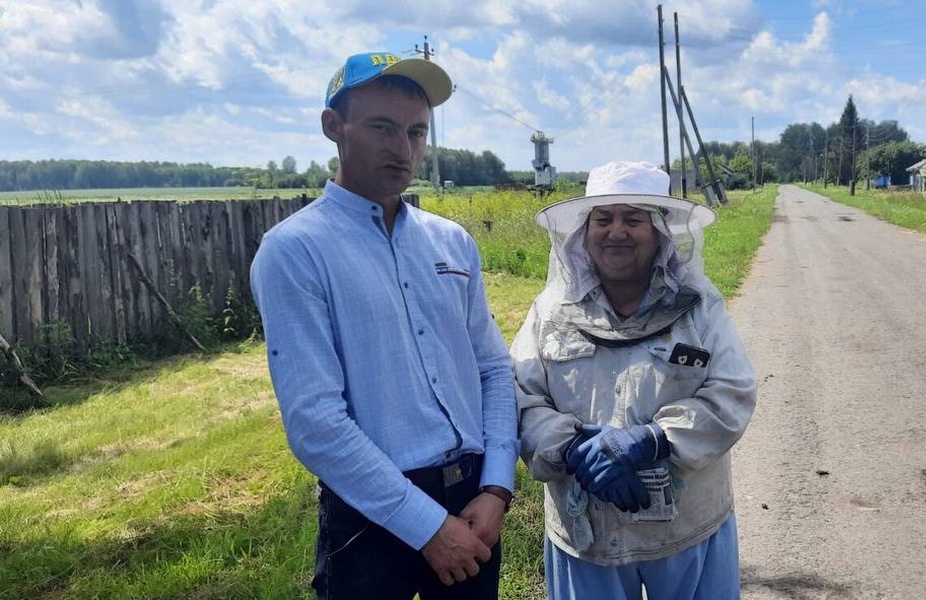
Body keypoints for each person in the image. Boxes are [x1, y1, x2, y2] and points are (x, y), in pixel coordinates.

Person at [250, 51, 517, 599]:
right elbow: (316, 421)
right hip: (371, 511)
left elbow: (492, 368)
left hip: (471, 500)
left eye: (417, 132)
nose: (403, 149)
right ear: (333, 127)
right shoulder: (296, 251)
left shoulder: (451, 242)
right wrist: (427, 526)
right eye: (382, 128)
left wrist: (496, 486)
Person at [512, 160, 758, 599]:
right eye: (602, 219)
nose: (616, 231)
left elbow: (732, 392)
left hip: (687, 528)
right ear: (583, 233)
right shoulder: (551, 312)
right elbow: (519, 398)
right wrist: (571, 448)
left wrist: (653, 439)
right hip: (584, 532)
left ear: (659, 232)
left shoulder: (699, 306)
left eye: (633, 219)